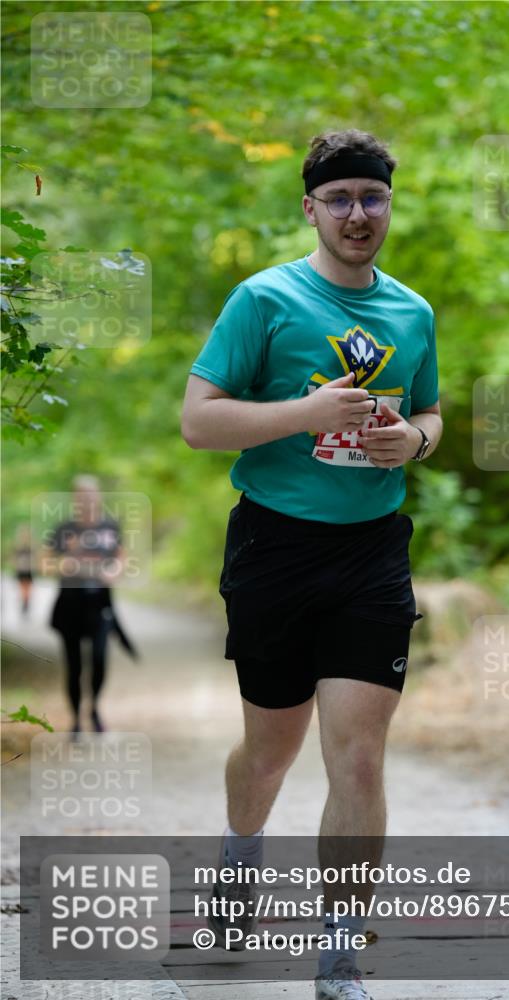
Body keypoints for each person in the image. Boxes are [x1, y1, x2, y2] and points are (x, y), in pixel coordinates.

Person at [182, 129, 442, 1000]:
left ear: (388, 205)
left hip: (371, 553)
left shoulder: (412, 312)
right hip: (273, 547)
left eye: (371, 197)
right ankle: (238, 855)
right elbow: (200, 421)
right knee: (268, 753)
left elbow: (432, 414)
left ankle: (338, 957)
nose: (357, 214)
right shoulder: (264, 299)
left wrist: (412, 440)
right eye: (339, 200)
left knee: (358, 758)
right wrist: (305, 412)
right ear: (310, 209)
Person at [46, 475, 136, 736]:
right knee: (73, 665)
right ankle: (75, 720)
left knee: (99, 661)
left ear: (98, 497)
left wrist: (113, 571)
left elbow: (121, 559)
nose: (87, 501)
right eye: (81, 496)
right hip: (69, 605)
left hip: (100, 606)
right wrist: (68, 564)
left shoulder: (109, 526)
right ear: (74, 499)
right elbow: (46, 562)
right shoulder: (64, 529)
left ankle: (93, 709)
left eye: (91, 495)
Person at [13, 523, 34, 616]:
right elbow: (14, 559)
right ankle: (24, 603)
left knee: (27, 589)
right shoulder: (18, 547)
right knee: (22, 589)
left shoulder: (32, 547)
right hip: (21, 571)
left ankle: (26, 603)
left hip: (29, 571)